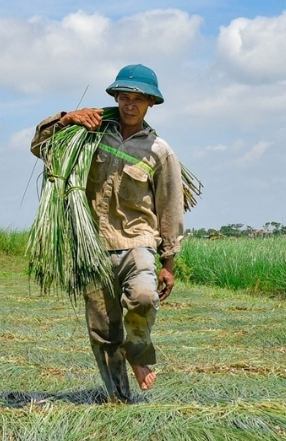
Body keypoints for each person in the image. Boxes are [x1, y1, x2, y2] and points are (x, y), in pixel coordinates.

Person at [30, 64, 185, 402]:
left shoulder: (159, 151)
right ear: (116, 97)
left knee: (144, 297)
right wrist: (68, 118)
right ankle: (119, 397)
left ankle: (139, 352)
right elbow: (39, 147)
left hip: (137, 241)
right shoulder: (89, 132)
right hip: (92, 244)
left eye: (138, 100)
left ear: (151, 104)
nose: (130, 105)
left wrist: (169, 263)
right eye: (124, 97)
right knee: (103, 330)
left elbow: (171, 207)